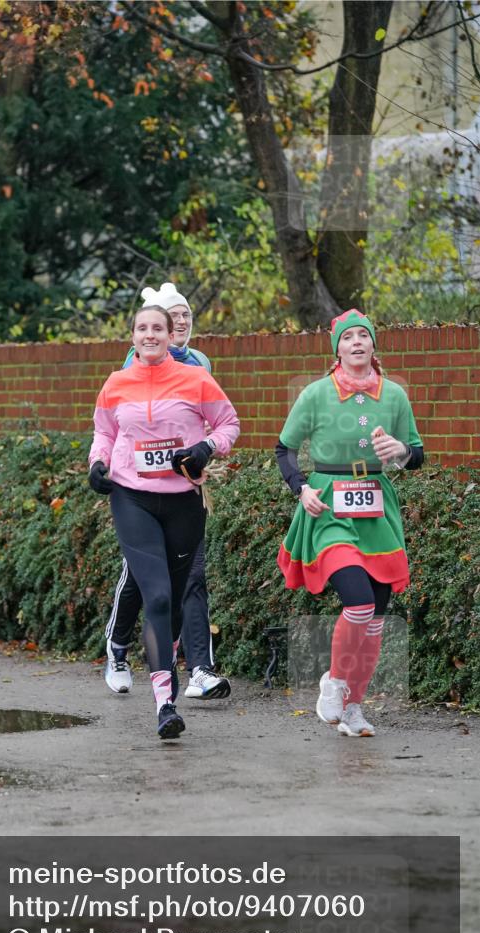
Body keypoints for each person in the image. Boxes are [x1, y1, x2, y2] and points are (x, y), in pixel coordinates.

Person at [88, 305, 240, 739]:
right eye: (143, 328)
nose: (150, 335)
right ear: (133, 336)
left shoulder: (196, 379)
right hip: (132, 498)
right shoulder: (116, 383)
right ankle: (165, 703)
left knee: (172, 601)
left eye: (159, 328)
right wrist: (97, 463)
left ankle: (163, 672)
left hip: (182, 502)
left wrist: (207, 448)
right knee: (155, 597)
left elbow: (229, 424)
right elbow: (104, 432)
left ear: (172, 334)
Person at [275, 309, 424, 737]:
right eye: (348, 337)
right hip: (329, 507)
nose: (356, 342)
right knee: (357, 602)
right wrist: (301, 488)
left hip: (377, 508)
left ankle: (354, 708)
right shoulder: (316, 394)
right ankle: (334, 682)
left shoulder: (394, 395)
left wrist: (401, 452)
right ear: (337, 348)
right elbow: (283, 448)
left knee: (376, 616)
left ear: (374, 346)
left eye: (364, 336)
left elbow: (416, 453)